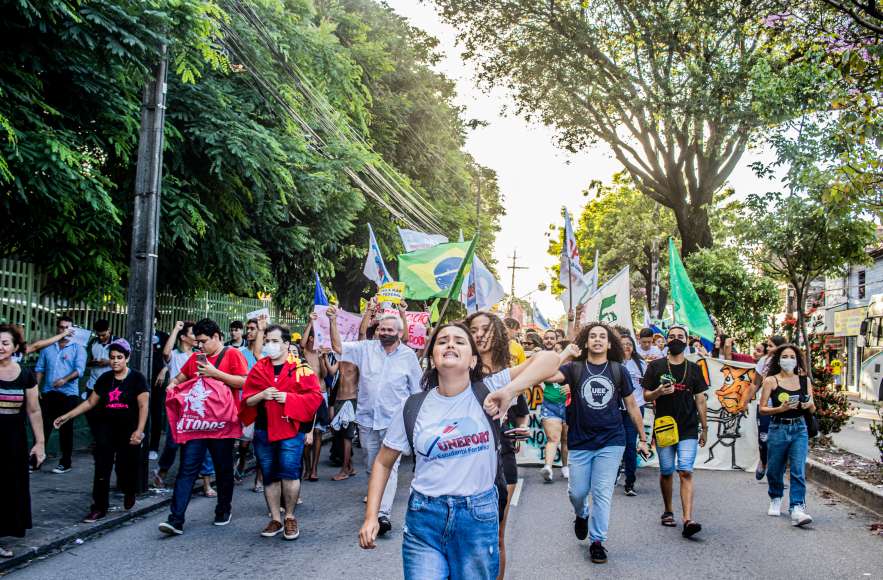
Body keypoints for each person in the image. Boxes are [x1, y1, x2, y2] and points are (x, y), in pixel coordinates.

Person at [358, 323, 559, 579]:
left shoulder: (489, 390)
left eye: (459, 341)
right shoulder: (412, 406)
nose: (450, 344)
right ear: (433, 357)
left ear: (473, 360)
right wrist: (371, 517)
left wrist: (510, 391)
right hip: (424, 519)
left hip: (477, 519)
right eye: (442, 341)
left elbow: (550, 359)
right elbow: (383, 462)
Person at [546, 323, 648, 564]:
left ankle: (597, 542)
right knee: (578, 493)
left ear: (610, 344)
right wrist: (566, 354)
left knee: (602, 492)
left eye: (603, 336)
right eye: (593, 336)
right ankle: (581, 514)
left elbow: (632, 405)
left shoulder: (618, 370)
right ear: (586, 342)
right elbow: (547, 376)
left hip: (612, 440)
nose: (598, 340)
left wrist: (643, 438)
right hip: (580, 441)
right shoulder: (574, 368)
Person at [466, 311, 555, 580]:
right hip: (462, 462)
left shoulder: (505, 376)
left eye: (486, 329)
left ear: (499, 334)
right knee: (465, 539)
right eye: (473, 329)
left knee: (496, 536)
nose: (480, 334)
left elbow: (548, 359)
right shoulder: (457, 370)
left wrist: (510, 391)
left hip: (501, 458)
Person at [329, 307, 422, 537]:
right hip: (367, 420)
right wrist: (332, 320)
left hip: (395, 423)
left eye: (390, 329)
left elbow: (417, 391)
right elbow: (339, 348)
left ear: (399, 333)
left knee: (390, 467)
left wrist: (414, 423)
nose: (385, 332)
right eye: (382, 329)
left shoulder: (408, 356)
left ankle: (382, 515)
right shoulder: (366, 349)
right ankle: (376, 504)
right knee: (373, 466)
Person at [159, 318, 248, 535]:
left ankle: (223, 509)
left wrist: (216, 374)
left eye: (204, 341)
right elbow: (181, 377)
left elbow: (245, 382)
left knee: (223, 469)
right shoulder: (197, 357)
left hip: (223, 424)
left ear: (216, 336)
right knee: (187, 469)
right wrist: (173, 384)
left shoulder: (232, 354)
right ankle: (176, 520)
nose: (200, 345)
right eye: (197, 341)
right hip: (198, 425)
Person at [240, 325, 323, 540]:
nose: (269, 345)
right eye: (267, 340)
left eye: (275, 341)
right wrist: (262, 395)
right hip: (263, 431)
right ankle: (276, 519)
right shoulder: (259, 368)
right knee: (269, 476)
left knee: (289, 473)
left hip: (290, 431)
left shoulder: (301, 368)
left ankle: (290, 517)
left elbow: (315, 398)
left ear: (286, 344)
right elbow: (247, 400)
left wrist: (288, 398)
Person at [53, 339, 149, 522]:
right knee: (102, 469)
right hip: (106, 429)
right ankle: (99, 507)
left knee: (125, 468)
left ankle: (129, 491)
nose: (115, 361)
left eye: (119, 357)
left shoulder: (137, 379)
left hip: (128, 430)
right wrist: (67, 416)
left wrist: (139, 431)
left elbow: (144, 406)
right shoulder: (105, 379)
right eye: (112, 357)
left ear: (127, 358)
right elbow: (90, 402)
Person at [643, 324, 709, 538]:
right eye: (671, 336)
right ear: (666, 340)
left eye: (680, 336)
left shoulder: (694, 368)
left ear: (687, 340)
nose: (676, 339)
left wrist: (704, 428)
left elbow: (700, 400)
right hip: (664, 427)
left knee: (686, 471)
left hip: (688, 427)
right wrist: (658, 392)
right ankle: (668, 510)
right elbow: (646, 396)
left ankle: (688, 519)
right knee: (666, 471)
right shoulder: (656, 366)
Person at [152, 321, 215, 497]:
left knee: (201, 443)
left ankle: (206, 484)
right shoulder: (174, 354)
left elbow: (205, 376)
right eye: (193, 334)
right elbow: (165, 353)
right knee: (173, 443)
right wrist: (176, 328)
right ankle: (162, 471)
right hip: (177, 404)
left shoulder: (199, 355)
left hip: (196, 403)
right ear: (183, 337)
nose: (196, 337)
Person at [0, 325, 46, 558]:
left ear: (15, 346)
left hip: (14, 442)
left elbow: (34, 410)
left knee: (9, 489)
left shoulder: (26, 374)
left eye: (5, 343)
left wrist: (40, 443)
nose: (0, 347)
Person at [758, 344, 815, 527]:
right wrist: (780, 409)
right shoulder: (771, 381)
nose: (788, 360)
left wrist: (807, 405)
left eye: (792, 357)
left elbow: (813, 407)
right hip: (778, 428)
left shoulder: (805, 381)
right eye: (785, 356)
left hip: (799, 428)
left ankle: (797, 507)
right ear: (778, 360)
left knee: (798, 469)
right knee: (775, 468)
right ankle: (775, 496)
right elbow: (762, 409)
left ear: (797, 360)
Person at [34, 316, 86, 474]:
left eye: (67, 327)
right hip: (48, 392)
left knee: (65, 428)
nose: (64, 330)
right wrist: (36, 388)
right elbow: (40, 368)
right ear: (58, 328)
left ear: (73, 329)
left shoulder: (78, 348)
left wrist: (65, 379)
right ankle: (36, 459)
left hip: (68, 394)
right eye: (62, 327)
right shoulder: (48, 347)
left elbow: (80, 370)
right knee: (42, 427)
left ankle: (65, 462)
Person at [751, 335, 787, 481]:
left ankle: (779, 470)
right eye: (768, 346)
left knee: (781, 440)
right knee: (764, 438)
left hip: (783, 407)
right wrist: (744, 401)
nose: (768, 349)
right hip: (764, 405)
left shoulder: (787, 362)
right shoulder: (763, 361)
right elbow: (755, 383)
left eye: (771, 346)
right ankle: (763, 461)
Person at [299, 314, 329, 482]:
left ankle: (314, 468)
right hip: (306, 396)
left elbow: (324, 375)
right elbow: (302, 343)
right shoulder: (303, 352)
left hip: (321, 394)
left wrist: (323, 359)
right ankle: (307, 466)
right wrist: (311, 322)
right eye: (315, 337)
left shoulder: (319, 354)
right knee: (306, 433)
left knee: (318, 432)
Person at [620, 332, 647, 496]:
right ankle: (615, 470)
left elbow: (647, 386)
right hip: (616, 410)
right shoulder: (612, 363)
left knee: (630, 444)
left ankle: (630, 482)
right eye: (622, 344)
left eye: (629, 344)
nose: (626, 347)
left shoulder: (641, 364)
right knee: (615, 444)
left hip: (635, 409)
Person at [330, 359, 359, 481]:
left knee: (347, 437)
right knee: (339, 435)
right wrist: (324, 357)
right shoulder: (341, 359)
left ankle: (344, 470)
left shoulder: (357, 360)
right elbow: (331, 371)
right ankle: (350, 467)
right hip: (339, 400)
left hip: (350, 400)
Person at [148, 312, 170, 457]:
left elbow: (170, 357)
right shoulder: (139, 335)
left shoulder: (163, 336)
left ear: (156, 319)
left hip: (158, 380)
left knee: (156, 412)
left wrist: (164, 370)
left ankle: (153, 447)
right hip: (142, 377)